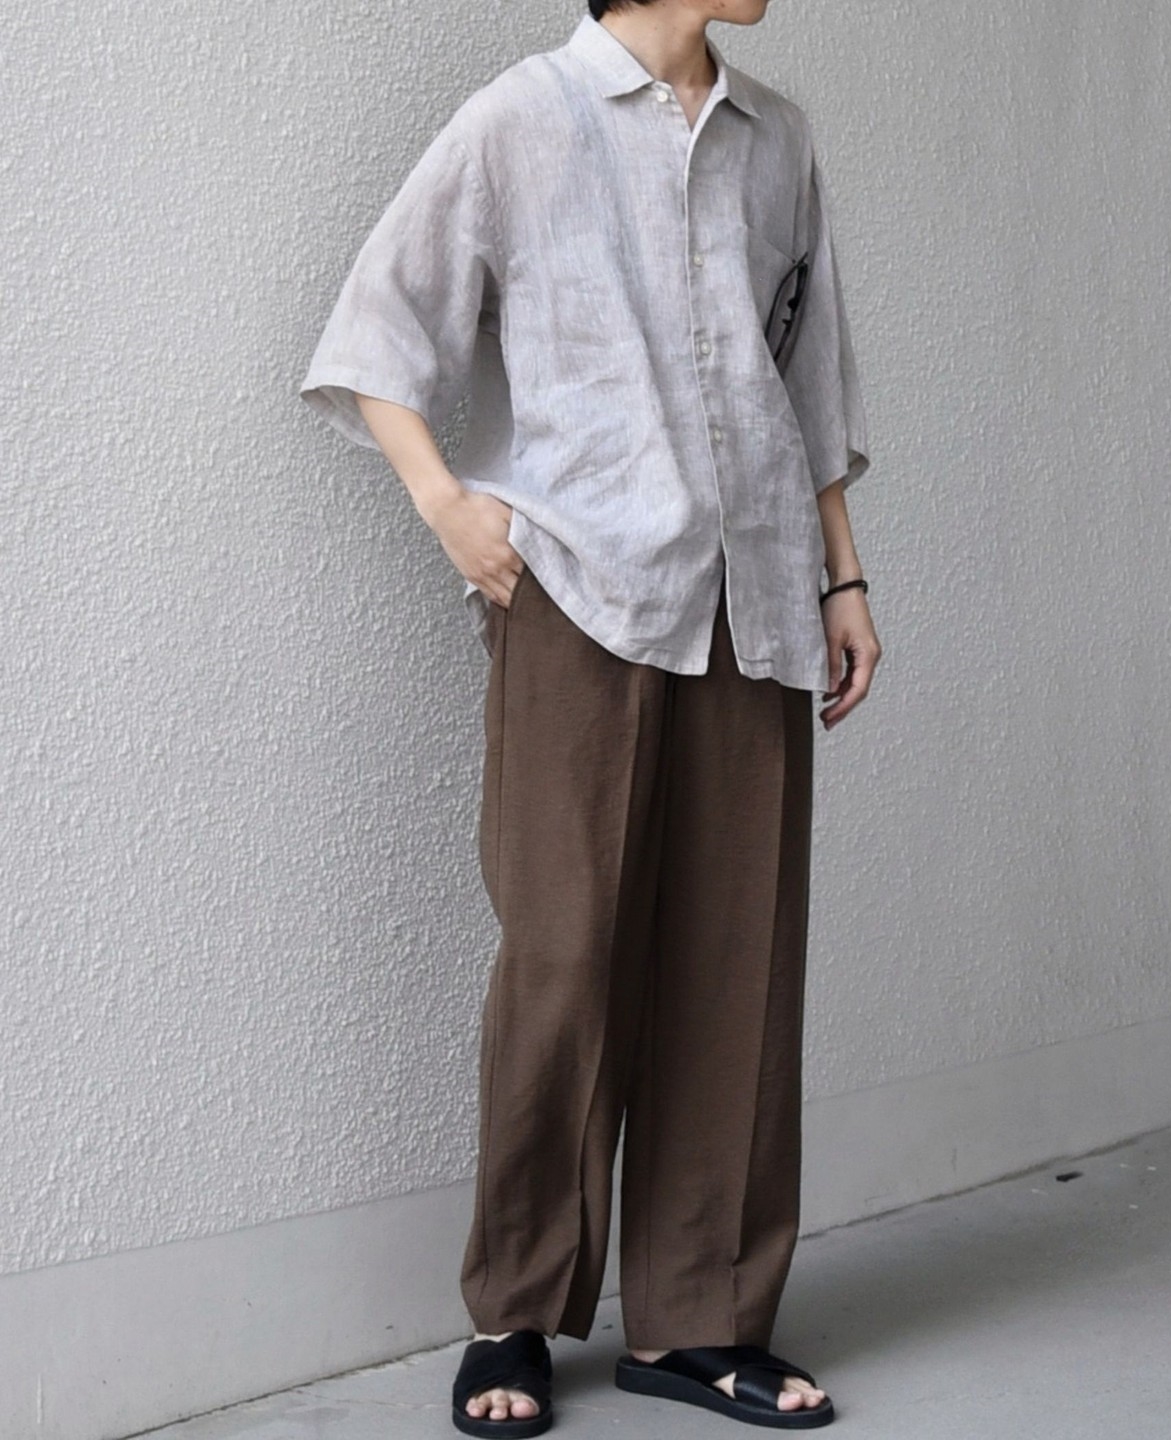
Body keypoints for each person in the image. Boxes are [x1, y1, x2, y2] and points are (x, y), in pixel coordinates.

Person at [299, 0, 881, 1431]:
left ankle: (701, 1318)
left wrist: (844, 574)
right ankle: (514, 1308)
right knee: (566, 955)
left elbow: (806, 382)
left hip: (754, 592)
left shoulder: (780, 142)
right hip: (580, 590)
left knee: (735, 964)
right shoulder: (525, 118)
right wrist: (448, 507)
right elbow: (377, 328)